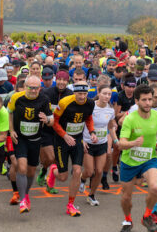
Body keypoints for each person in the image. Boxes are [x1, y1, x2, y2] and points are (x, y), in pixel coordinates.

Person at [118, 84, 157, 232]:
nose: (148, 103)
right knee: (126, 197)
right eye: (144, 100)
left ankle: (146, 216)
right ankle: (127, 220)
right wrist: (133, 143)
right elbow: (121, 144)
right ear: (136, 101)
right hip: (129, 162)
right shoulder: (130, 119)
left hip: (148, 159)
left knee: (156, 187)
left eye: (150, 100)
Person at [8, 75, 53, 213]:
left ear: (40, 88)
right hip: (20, 138)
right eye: (30, 88)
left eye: (36, 88)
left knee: (31, 171)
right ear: (25, 86)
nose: (33, 91)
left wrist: (46, 120)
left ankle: (26, 194)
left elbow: (52, 121)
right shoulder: (16, 98)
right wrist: (11, 130)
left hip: (35, 139)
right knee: (21, 167)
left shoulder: (44, 99)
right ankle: (22, 200)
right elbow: (9, 113)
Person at [52, 81, 97, 217]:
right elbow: (54, 122)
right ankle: (52, 172)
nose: (82, 97)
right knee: (63, 176)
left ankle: (70, 204)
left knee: (77, 171)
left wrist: (92, 132)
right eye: (79, 94)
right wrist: (65, 135)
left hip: (77, 140)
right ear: (74, 92)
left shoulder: (90, 103)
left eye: (84, 94)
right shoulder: (65, 102)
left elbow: (88, 118)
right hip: (61, 140)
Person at [80, 85, 117, 206]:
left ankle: (91, 195)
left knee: (99, 171)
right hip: (88, 143)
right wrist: (82, 140)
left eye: (109, 94)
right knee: (90, 171)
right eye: (104, 93)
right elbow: (80, 123)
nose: (107, 96)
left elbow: (110, 127)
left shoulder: (110, 110)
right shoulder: (91, 106)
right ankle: (82, 179)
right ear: (98, 93)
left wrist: (116, 141)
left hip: (101, 143)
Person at [38, 70, 73, 194]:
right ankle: (43, 171)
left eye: (64, 80)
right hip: (46, 130)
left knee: (56, 160)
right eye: (59, 79)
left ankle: (49, 183)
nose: (61, 82)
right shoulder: (46, 92)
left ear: (67, 81)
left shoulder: (70, 95)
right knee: (50, 159)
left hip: (60, 131)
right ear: (55, 79)